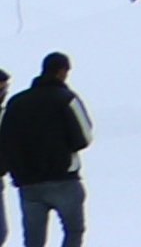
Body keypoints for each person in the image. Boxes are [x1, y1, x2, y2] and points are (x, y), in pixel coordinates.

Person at [0, 52, 87, 246]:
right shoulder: (66, 98)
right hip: (64, 179)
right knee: (73, 231)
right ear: (62, 71)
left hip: (28, 184)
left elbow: (5, 143)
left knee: (33, 241)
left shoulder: (16, 103)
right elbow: (84, 138)